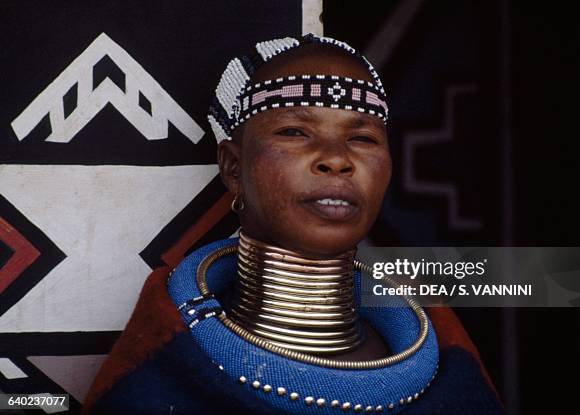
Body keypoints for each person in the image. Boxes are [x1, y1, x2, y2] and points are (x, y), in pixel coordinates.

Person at [83, 34, 503, 415]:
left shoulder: (448, 360)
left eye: (363, 138)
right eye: (294, 131)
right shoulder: (159, 372)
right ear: (233, 168)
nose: (337, 159)